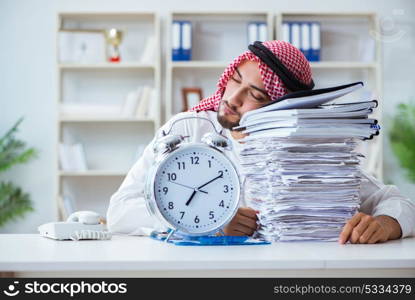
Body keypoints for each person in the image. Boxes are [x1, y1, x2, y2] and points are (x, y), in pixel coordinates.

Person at [106, 40, 415, 244]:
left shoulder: (305, 150)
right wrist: (205, 223)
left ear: (283, 108)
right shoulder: (187, 128)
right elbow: (120, 211)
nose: (232, 99)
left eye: (255, 95)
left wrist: (387, 224)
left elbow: (398, 202)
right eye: (235, 79)